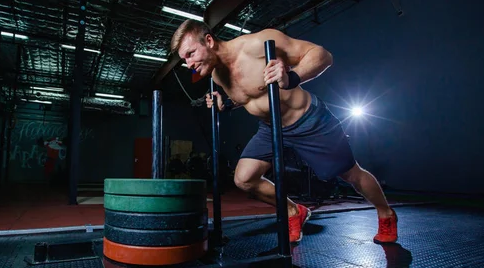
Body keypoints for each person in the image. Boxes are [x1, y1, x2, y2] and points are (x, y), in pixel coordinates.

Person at [170, 20, 397, 244]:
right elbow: (249, 94)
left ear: (209, 40)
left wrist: (292, 77)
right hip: (271, 128)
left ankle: (386, 213)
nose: (188, 63)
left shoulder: (258, 44)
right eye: (184, 59)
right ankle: (293, 211)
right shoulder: (217, 75)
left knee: (351, 175)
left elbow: (323, 55)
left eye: (190, 54)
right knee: (244, 179)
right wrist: (226, 104)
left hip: (308, 121)